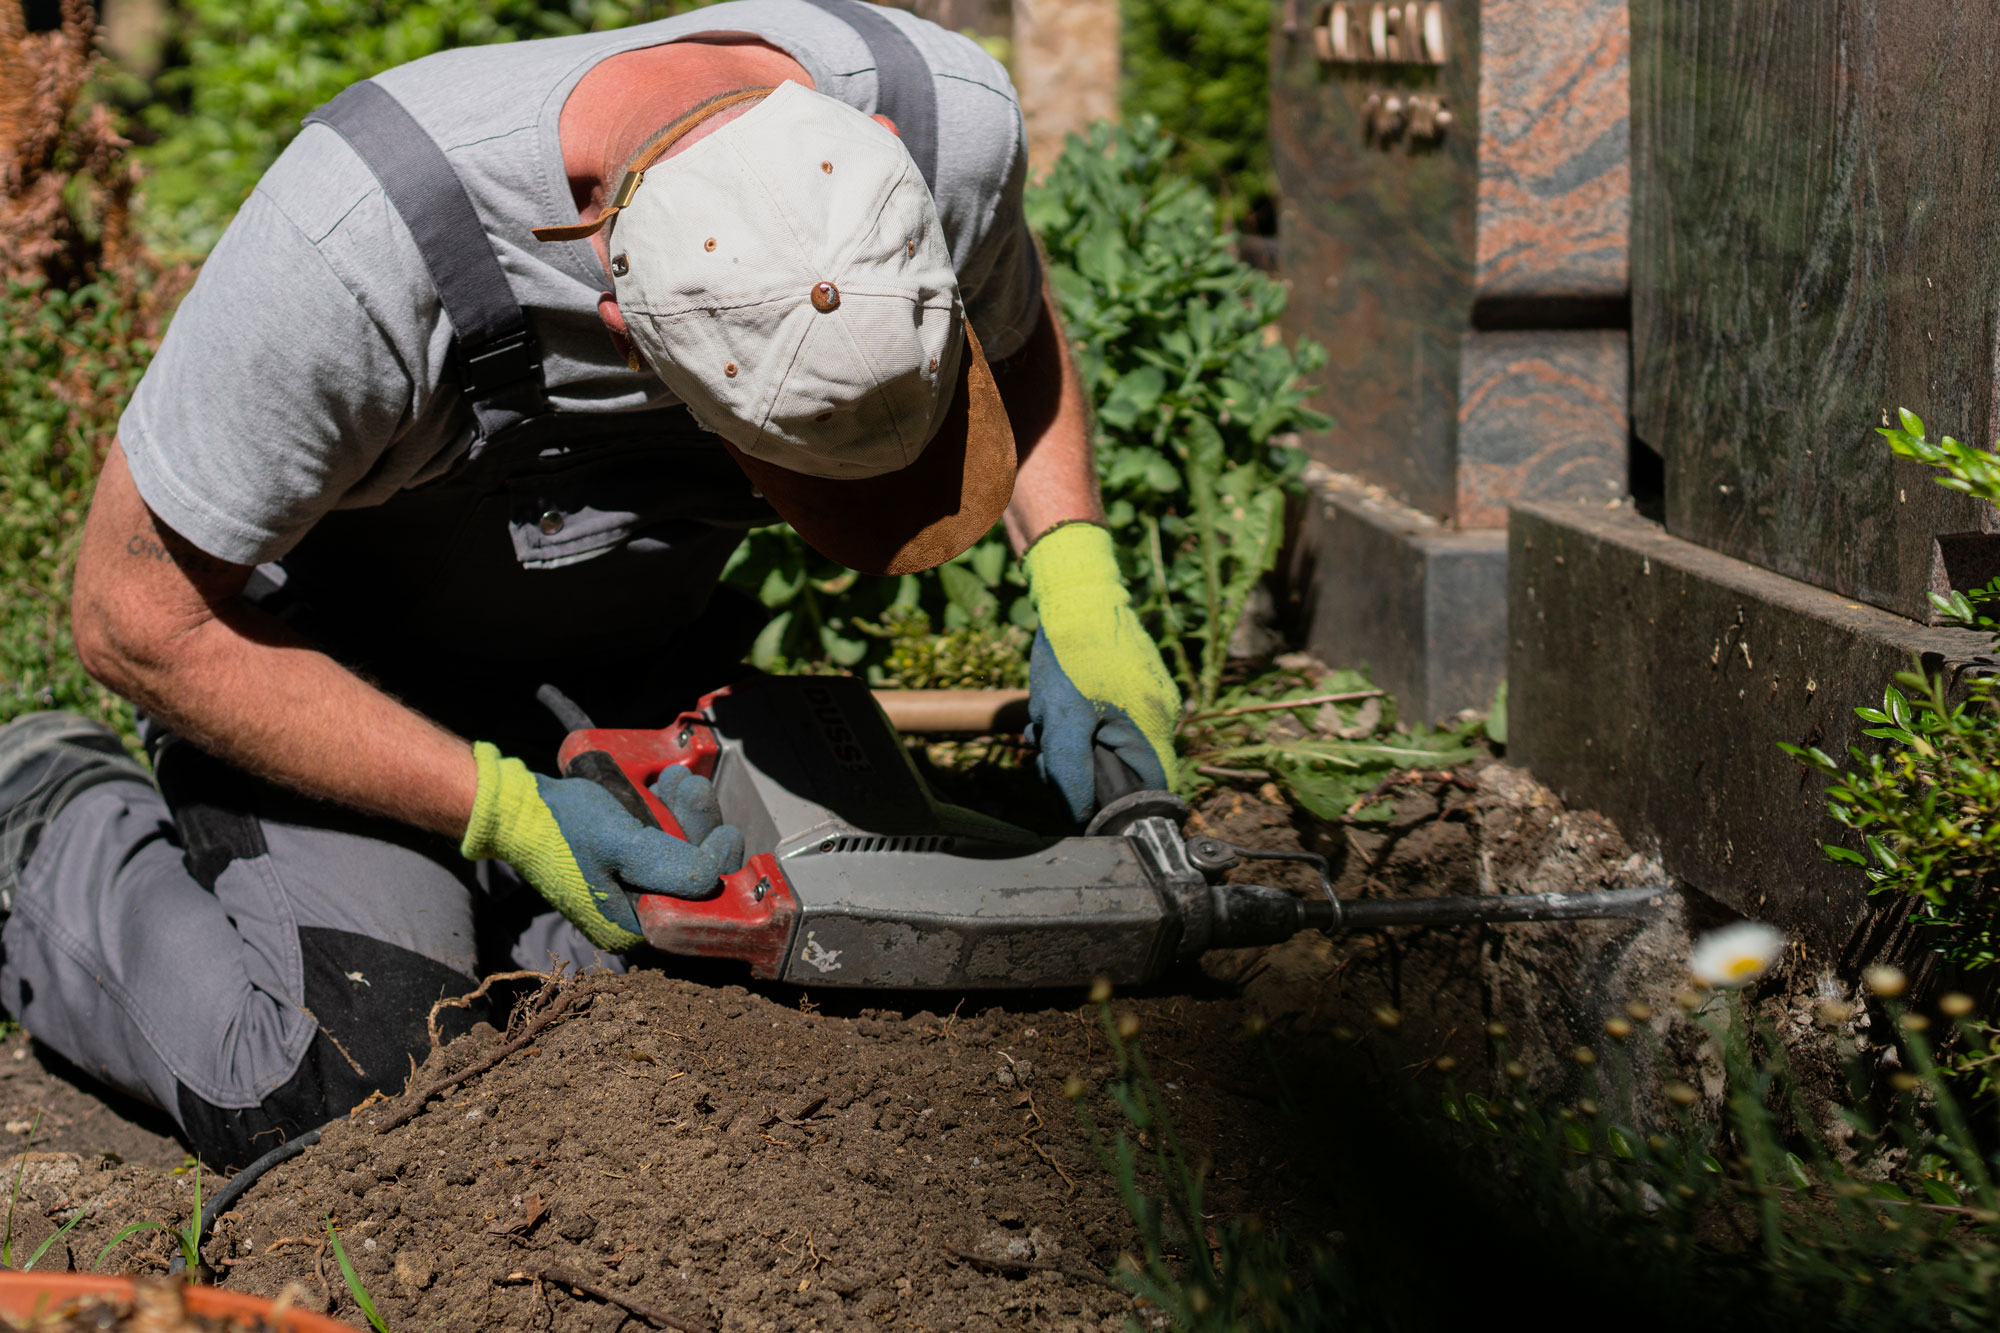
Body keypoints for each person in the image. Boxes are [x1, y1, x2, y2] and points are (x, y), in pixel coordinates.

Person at [0, 0, 1179, 1167]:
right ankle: (46, 812)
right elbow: (132, 617)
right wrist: (507, 811)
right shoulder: (351, 259)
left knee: (798, 953)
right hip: (330, 676)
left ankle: (500, 890)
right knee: (353, 1069)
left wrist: (1078, 581)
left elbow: (1013, 324)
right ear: (625, 331)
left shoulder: (938, 123)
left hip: (623, 668)